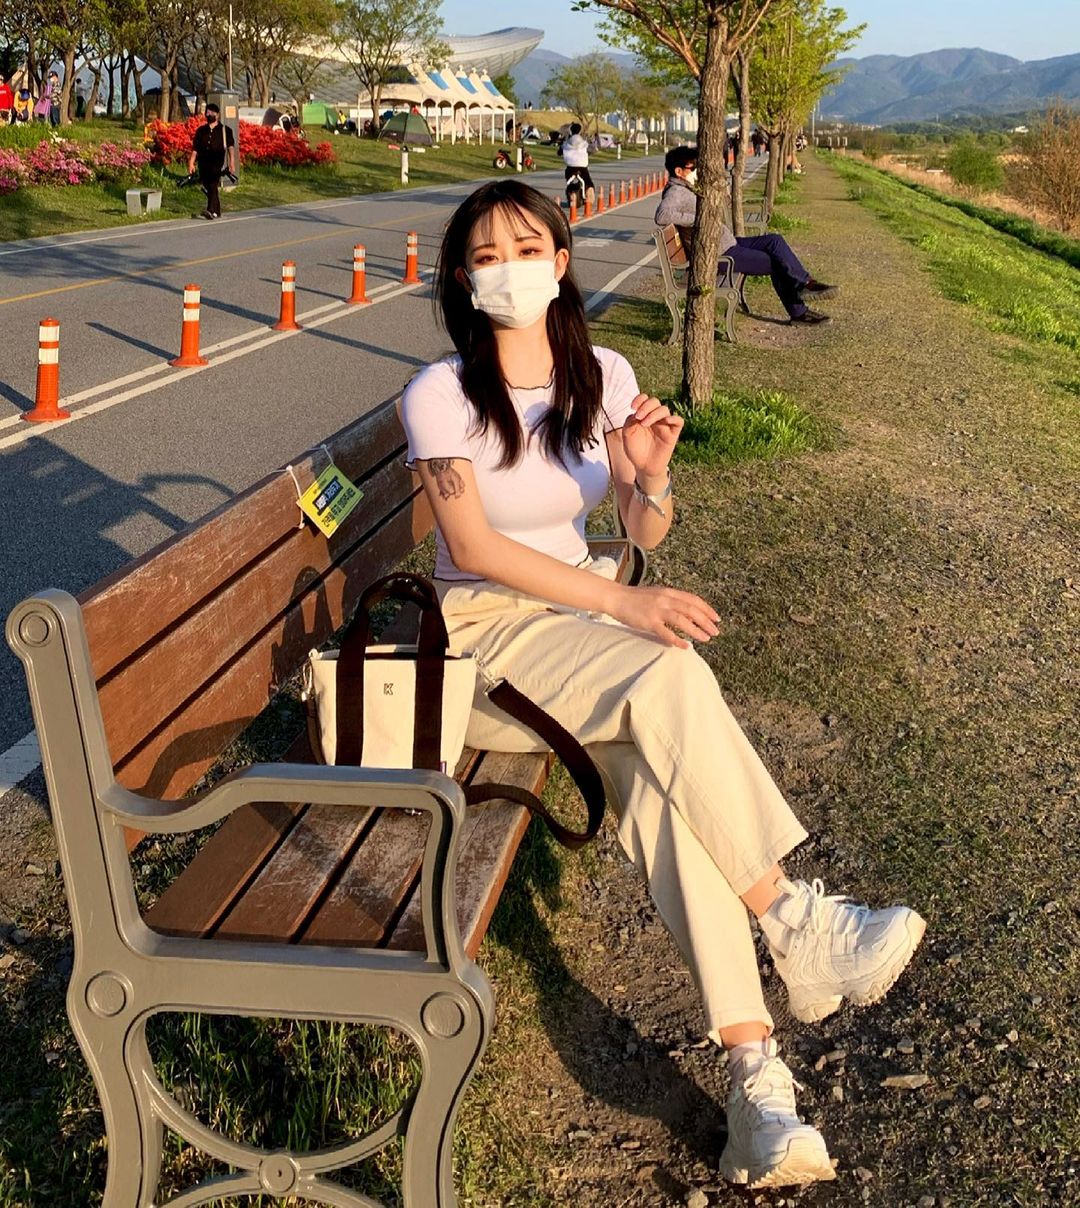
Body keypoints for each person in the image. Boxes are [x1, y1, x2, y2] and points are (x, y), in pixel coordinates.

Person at [400, 178, 925, 1190]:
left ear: (560, 261)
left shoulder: (603, 373)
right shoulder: (441, 393)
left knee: (665, 797)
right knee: (667, 667)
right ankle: (792, 919)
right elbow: (474, 548)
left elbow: (642, 530)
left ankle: (757, 1086)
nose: (508, 268)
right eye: (486, 256)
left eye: (527, 248)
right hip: (486, 643)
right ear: (463, 279)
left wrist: (649, 475)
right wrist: (625, 603)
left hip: (581, 631)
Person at [655, 145, 836, 326]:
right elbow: (662, 215)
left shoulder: (688, 187)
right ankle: (799, 312)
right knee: (776, 263)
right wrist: (699, 219)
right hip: (720, 253)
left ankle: (806, 283)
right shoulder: (676, 192)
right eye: (693, 168)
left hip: (728, 243)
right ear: (679, 171)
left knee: (775, 241)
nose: (697, 171)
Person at [187, 103, 236, 220]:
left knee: (213, 184)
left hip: (217, 161)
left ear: (217, 115)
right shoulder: (201, 130)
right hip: (203, 162)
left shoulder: (225, 130)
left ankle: (210, 210)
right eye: (207, 113)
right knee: (207, 185)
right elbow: (195, 148)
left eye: (212, 113)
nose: (209, 115)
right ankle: (217, 211)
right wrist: (191, 162)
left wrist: (231, 162)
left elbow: (230, 147)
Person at [561, 122, 595, 205]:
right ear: (580, 131)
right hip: (582, 167)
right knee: (588, 181)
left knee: (568, 177)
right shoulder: (584, 143)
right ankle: (589, 192)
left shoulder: (566, 143)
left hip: (570, 167)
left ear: (570, 131)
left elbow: (559, 152)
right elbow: (592, 149)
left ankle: (570, 191)